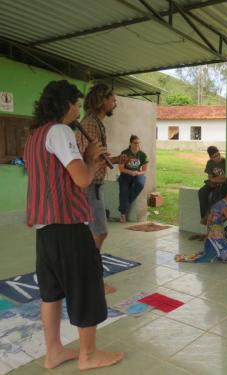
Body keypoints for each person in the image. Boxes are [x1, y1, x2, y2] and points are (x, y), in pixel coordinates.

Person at [24, 80, 123, 371]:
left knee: (51, 292)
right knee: (85, 287)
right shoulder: (59, 131)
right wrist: (91, 158)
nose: (78, 110)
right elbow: (81, 179)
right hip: (68, 224)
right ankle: (88, 355)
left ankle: (53, 351)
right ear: (65, 104)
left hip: (46, 229)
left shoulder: (34, 135)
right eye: (76, 105)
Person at [75, 84, 124, 294]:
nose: (115, 102)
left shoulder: (96, 124)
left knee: (95, 234)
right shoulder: (90, 124)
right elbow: (83, 158)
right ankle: (91, 279)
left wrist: (114, 159)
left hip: (94, 185)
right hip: (89, 186)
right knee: (99, 232)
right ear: (101, 100)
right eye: (112, 99)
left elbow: (95, 158)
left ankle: (87, 275)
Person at [176, 177, 227, 263]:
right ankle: (220, 252)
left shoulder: (222, 202)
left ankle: (225, 247)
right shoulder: (225, 206)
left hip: (216, 234)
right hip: (216, 238)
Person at [118, 134, 148, 223]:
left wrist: (138, 173)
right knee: (123, 191)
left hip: (137, 174)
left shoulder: (142, 154)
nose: (137, 145)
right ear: (130, 143)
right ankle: (122, 214)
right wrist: (130, 172)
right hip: (126, 174)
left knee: (140, 184)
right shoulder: (124, 153)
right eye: (135, 143)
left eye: (138, 143)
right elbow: (121, 168)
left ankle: (126, 203)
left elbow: (145, 170)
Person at [198, 146, 225, 224]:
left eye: (218, 154)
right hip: (213, 183)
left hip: (222, 185)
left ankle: (208, 216)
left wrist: (215, 179)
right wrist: (216, 179)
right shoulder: (210, 163)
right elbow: (210, 178)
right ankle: (203, 216)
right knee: (202, 192)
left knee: (215, 195)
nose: (217, 157)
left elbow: (226, 178)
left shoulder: (225, 162)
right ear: (211, 158)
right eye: (214, 157)